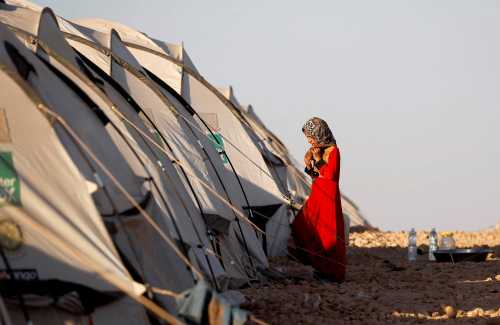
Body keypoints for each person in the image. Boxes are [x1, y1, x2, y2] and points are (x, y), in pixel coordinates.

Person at [290, 117, 346, 282]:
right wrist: (309, 164)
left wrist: (319, 159)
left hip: (328, 196)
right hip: (317, 192)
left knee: (327, 234)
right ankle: (314, 263)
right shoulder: (318, 150)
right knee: (303, 225)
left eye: (311, 137)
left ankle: (330, 271)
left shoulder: (333, 151)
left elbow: (330, 175)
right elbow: (316, 175)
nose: (309, 141)